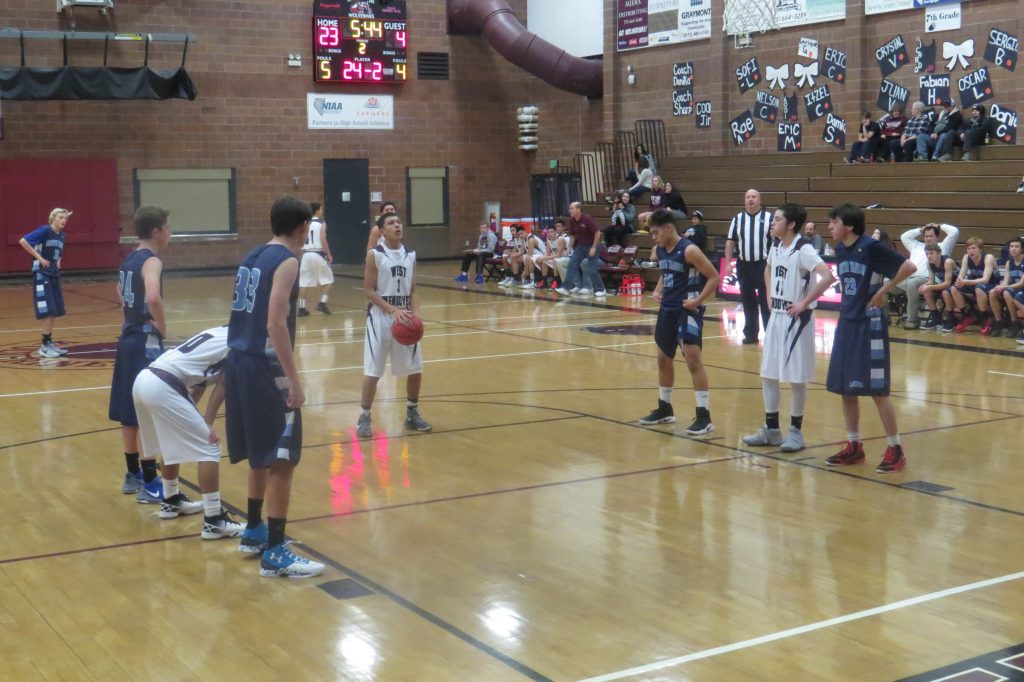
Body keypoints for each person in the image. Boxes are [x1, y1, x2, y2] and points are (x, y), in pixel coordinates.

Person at [225, 196, 324, 578]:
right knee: (283, 456)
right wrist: (294, 380)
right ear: (303, 228)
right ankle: (276, 551)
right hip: (267, 366)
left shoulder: (253, 255)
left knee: (259, 452)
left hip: (239, 359)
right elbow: (275, 323)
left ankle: (253, 530)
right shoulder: (288, 261)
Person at [824, 203, 917, 474]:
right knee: (845, 388)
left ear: (849, 225)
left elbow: (909, 266)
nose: (829, 226)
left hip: (870, 323)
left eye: (834, 221)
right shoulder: (841, 250)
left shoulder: (871, 247)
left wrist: (884, 290)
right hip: (847, 321)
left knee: (877, 390)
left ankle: (895, 449)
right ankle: (854, 445)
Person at [132, 326, 246, 537]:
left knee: (170, 439)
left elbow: (199, 382)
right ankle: (214, 521)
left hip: (145, 380)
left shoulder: (219, 333)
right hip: (164, 384)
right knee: (210, 445)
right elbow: (223, 383)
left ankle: (171, 499)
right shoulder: (240, 342)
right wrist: (207, 422)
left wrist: (189, 415)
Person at [742, 203, 836, 452]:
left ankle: (796, 432)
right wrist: (769, 294)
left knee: (796, 378)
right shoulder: (775, 246)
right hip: (777, 316)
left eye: (777, 219)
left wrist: (805, 302)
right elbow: (768, 268)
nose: (772, 223)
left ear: (791, 224)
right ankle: (772, 429)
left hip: (797, 319)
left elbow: (828, 276)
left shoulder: (803, 249)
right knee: (768, 374)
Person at [637, 209, 719, 435]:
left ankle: (704, 416)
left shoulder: (690, 249)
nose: (653, 237)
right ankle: (665, 409)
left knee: (693, 360)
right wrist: (658, 288)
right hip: (667, 310)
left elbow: (714, 277)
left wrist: (698, 301)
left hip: (687, 309)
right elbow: (666, 271)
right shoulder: (661, 249)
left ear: (669, 228)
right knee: (663, 359)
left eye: (655, 232)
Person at [110, 206, 172, 500]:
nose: (170, 232)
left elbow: (120, 294)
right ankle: (150, 481)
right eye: (168, 227)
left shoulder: (128, 259)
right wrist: (161, 325)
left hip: (127, 336)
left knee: (129, 409)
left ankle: (132, 472)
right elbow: (152, 296)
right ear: (157, 231)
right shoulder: (151, 261)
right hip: (145, 339)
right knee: (147, 407)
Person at [357, 211, 431, 439]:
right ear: (382, 231)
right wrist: (392, 310)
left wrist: (416, 315)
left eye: (398, 222)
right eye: (391, 223)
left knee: (416, 368)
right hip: (381, 316)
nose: (397, 225)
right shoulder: (375, 255)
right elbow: (369, 291)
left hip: (405, 316)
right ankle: (364, 416)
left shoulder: (410, 254)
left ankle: (412, 412)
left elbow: (413, 289)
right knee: (374, 371)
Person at [19, 208, 72, 358]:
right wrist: (39, 258)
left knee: (54, 311)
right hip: (42, 275)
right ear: (53, 218)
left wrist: (59, 262)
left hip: (53, 274)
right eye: (61, 217)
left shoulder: (62, 235)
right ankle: (44, 346)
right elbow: (23, 241)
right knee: (48, 311)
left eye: (66, 218)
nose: (63, 220)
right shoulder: (44, 230)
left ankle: (48, 343)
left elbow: (59, 252)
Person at [724, 189, 773, 344]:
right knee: (747, 300)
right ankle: (751, 334)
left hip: (764, 265)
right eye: (748, 197)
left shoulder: (769, 218)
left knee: (766, 301)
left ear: (760, 200)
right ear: (744, 200)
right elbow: (730, 241)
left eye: (754, 197)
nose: (750, 199)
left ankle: (771, 335)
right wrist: (728, 262)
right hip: (744, 265)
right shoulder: (737, 219)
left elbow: (777, 242)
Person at [897, 223, 960, 329]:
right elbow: (904, 236)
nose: (928, 238)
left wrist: (939, 225)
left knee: (912, 284)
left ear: (937, 237)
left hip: (928, 279)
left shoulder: (942, 247)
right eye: (926, 236)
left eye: (931, 236)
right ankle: (884, 317)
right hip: (912, 278)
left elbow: (954, 231)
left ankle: (912, 320)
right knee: (887, 281)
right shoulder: (916, 245)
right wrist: (921, 229)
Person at [555, 202, 607, 299]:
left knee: (592, 269)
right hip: (581, 247)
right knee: (571, 264)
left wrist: (594, 247)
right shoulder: (572, 221)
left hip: (592, 246)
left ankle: (601, 289)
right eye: (570, 208)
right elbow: (573, 235)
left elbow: (597, 232)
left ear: (578, 209)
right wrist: (569, 247)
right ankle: (566, 288)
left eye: (572, 208)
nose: (569, 210)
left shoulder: (586, 219)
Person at [950, 237, 998, 333]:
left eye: (973, 248)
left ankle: (985, 319)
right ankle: (967, 316)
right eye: (969, 249)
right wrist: (959, 282)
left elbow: (985, 280)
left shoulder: (988, 257)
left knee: (979, 288)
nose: (971, 251)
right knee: (954, 288)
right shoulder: (966, 257)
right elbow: (960, 277)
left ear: (980, 249)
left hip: (992, 284)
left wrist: (965, 282)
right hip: (975, 284)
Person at [297, 201, 334, 316]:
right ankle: (322, 303)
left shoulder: (305, 223)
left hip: (306, 254)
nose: (322, 211)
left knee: (303, 283)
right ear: (317, 210)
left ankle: (301, 308)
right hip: (317, 253)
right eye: (321, 209)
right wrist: (328, 253)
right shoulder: (321, 222)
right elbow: (323, 238)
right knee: (329, 280)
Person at [986, 237, 1024, 338]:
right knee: (992, 292)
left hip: (1021, 289)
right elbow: (1006, 281)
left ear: (1022, 249)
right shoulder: (1009, 263)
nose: (1013, 249)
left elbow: (1021, 284)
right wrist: (999, 287)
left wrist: (1004, 287)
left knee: (1007, 292)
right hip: (1014, 288)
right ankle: (999, 321)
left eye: (1016, 247)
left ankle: (1014, 321)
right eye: (1011, 246)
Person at [919, 243, 959, 332]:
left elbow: (947, 284)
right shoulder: (929, 263)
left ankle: (950, 319)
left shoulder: (947, 262)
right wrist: (925, 285)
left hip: (959, 286)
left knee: (945, 291)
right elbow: (931, 281)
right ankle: (936, 318)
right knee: (926, 291)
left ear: (939, 253)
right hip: (947, 285)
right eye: (927, 254)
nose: (929, 256)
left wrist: (929, 287)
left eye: (932, 253)